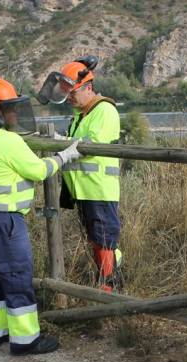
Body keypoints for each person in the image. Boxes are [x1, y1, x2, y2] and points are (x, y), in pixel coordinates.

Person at [0, 77, 81, 355]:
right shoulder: (8, 141)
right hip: (3, 218)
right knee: (17, 274)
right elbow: (39, 171)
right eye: (10, 108)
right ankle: (25, 339)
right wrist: (66, 155)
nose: (16, 113)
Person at [37, 56, 123, 292]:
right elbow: (76, 143)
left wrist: (61, 143)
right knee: (95, 238)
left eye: (72, 93)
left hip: (99, 187)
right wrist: (60, 141)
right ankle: (105, 280)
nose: (69, 99)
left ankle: (108, 286)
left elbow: (90, 144)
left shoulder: (104, 110)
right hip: (83, 188)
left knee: (105, 238)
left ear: (88, 87)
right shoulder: (81, 113)